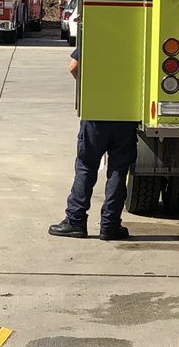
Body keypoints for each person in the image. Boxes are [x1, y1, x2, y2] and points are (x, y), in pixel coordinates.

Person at [48, 46, 139, 241]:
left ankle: (75, 221)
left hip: (96, 113)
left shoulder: (95, 34)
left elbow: (74, 67)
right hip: (127, 114)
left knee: (86, 167)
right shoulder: (138, 35)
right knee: (118, 170)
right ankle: (110, 225)